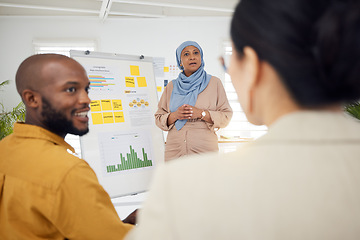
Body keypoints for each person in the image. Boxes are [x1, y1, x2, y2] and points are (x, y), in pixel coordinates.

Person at [126, 0, 360, 239]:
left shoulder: (185, 186)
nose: (192, 57)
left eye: (228, 62)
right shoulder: (172, 89)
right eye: (186, 54)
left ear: (251, 65)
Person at [0, 54, 136, 239]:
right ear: (32, 99)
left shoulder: (5, 147)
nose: (87, 100)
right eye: (71, 89)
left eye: (86, 89)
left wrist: (117, 225)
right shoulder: (68, 171)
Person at [155, 41, 233, 161]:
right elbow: (158, 118)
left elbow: (226, 116)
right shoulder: (172, 86)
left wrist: (202, 114)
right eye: (186, 54)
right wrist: (175, 115)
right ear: (180, 61)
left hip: (205, 151)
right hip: (175, 149)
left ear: (201, 57)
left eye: (196, 53)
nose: (192, 57)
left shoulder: (214, 83)